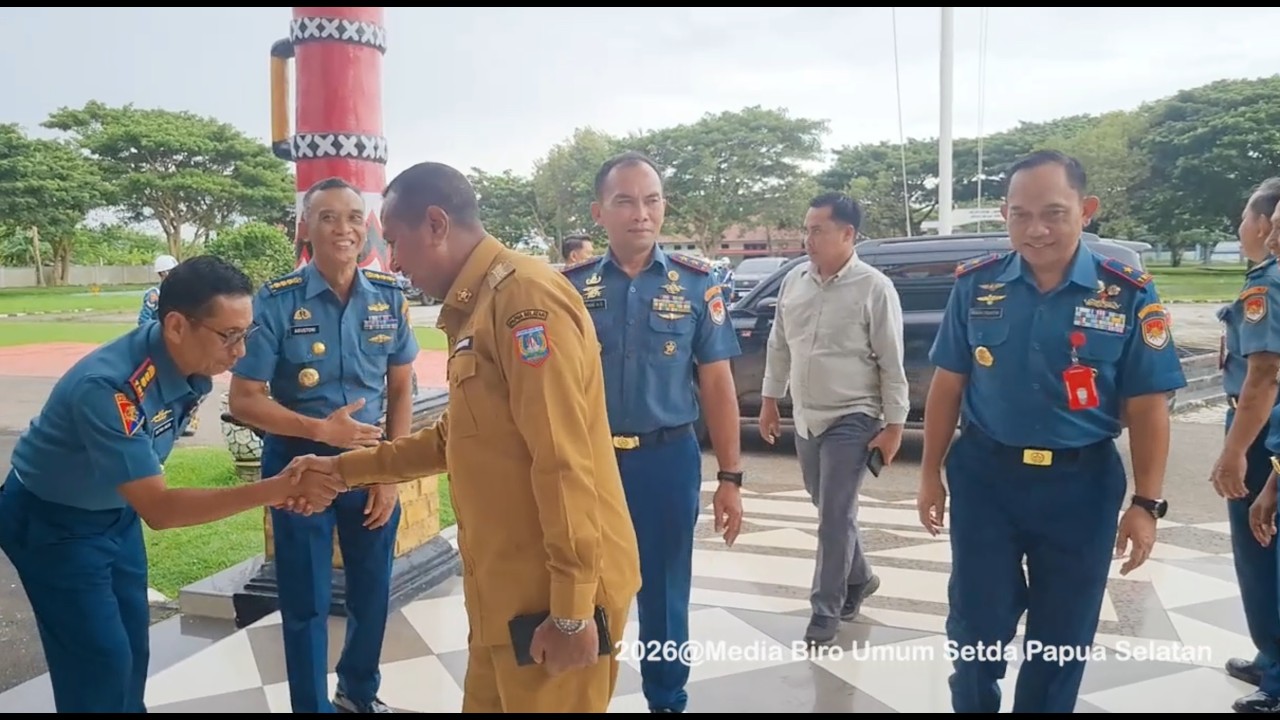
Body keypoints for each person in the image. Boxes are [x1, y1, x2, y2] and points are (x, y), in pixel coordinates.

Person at [281, 161, 642, 713]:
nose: (394, 262)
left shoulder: (525, 303)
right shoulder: (478, 309)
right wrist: (339, 470)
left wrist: (571, 610)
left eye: (396, 242)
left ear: (435, 224)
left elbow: (563, 462)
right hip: (504, 593)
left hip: (552, 600)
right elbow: (454, 440)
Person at [0, 256, 344, 714]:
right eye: (230, 335)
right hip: (52, 524)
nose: (241, 352)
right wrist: (276, 488)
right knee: (98, 659)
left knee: (132, 645)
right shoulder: (108, 388)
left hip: (114, 513)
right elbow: (160, 510)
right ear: (177, 325)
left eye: (247, 333)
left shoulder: (189, 364)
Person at [917, 150, 1187, 714]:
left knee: (1062, 633)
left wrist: (1146, 503)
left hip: (1081, 485)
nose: (1036, 229)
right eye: (1020, 214)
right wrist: (929, 476)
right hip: (987, 478)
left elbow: (1147, 406)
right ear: (1004, 214)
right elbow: (947, 386)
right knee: (976, 620)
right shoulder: (977, 285)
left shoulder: (1128, 292)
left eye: (1054, 213)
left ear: (1086, 210)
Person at [560, 150, 745, 714]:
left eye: (651, 200)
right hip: (590, 464)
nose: (641, 213)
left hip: (666, 461)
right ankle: (584, 698)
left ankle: (667, 700)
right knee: (583, 588)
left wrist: (731, 477)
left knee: (665, 594)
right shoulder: (569, 288)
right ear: (600, 212)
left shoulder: (696, 284)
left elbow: (717, 384)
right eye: (625, 201)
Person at [227, 177, 418, 714]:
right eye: (328, 216)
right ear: (306, 226)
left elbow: (401, 387)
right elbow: (244, 398)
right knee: (306, 599)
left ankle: (359, 694)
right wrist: (318, 432)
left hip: (370, 465)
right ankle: (310, 706)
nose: (344, 227)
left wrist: (391, 473)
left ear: (367, 227)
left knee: (372, 589)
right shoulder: (276, 301)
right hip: (297, 468)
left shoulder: (390, 297)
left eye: (354, 217)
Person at [759, 191, 909, 645]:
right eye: (806, 229)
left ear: (848, 234)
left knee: (834, 515)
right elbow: (779, 344)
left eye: (818, 230)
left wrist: (894, 427)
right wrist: (769, 400)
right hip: (807, 417)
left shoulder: (874, 288)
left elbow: (891, 361)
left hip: (854, 415)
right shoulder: (795, 282)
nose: (809, 238)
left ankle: (825, 610)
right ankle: (860, 576)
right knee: (826, 506)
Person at [1215, 177, 1280, 713]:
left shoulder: (1268, 285)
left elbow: (1263, 375)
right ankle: (1271, 656)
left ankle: (1278, 677)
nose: (1241, 227)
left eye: (1245, 217)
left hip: (1260, 431)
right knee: (1257, 553)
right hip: (1260, 428)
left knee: (1265, 550)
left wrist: (1235, 449)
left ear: (1264, 224)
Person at [138, 254, 178, 326]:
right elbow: (143, 320)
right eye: (172, 271)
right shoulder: (154, 294)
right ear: (163, 273)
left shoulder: (178, 291)